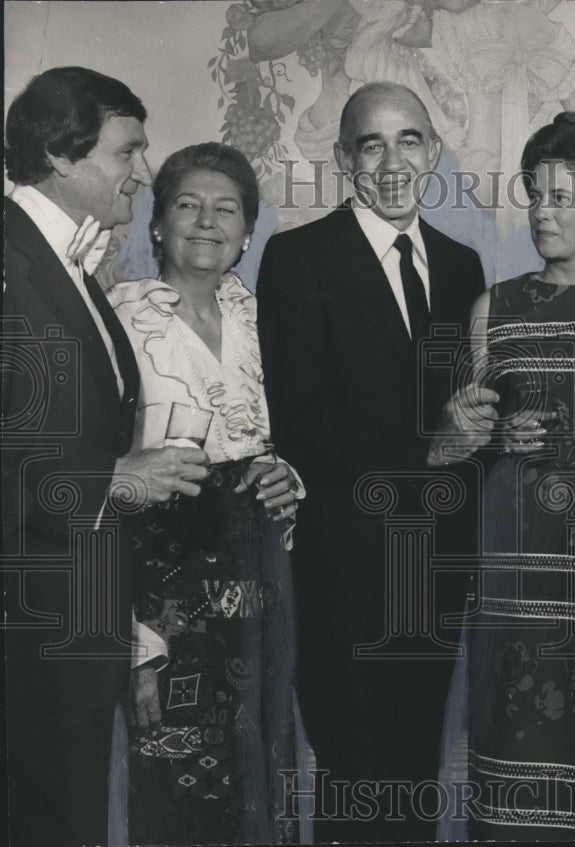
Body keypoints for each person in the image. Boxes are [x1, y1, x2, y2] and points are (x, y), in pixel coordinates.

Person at [430, 111, 575, 840]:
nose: (542, 210)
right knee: (504, 728)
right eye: (535, 193)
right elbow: (457, 437)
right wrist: (487, 429)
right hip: (512, 541)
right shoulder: (491, 308)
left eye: (562, 196)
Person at [256, 81, 485, 842]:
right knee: (357, 783)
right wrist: (432, 447)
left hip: (439, 566)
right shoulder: (297, 258)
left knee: (417, 774)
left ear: (435, 151)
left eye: (410, 139)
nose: (393, 160)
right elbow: (302, 420)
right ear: (342, 158)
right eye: (371, 143)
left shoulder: (461, 266)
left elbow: (466, 414)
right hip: (345, 568)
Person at [2, 66, 211, 847]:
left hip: (76, 638)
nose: (143, 174)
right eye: (128, 152)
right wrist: (114, 479)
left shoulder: (72, 268)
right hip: (27, 641)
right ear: (60, 153)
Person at [108, 142, 302, 845]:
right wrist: (139, 638)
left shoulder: (262, 320)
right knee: (174, 777)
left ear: (247, 232)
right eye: (187, 205)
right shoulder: (118, 317)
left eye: (227, 210)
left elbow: (289, 439)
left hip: (258, 584)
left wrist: (291, 478)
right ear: (157, 224)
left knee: (261, 765)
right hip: (162, 584)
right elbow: (103, 475)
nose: (206, 222)